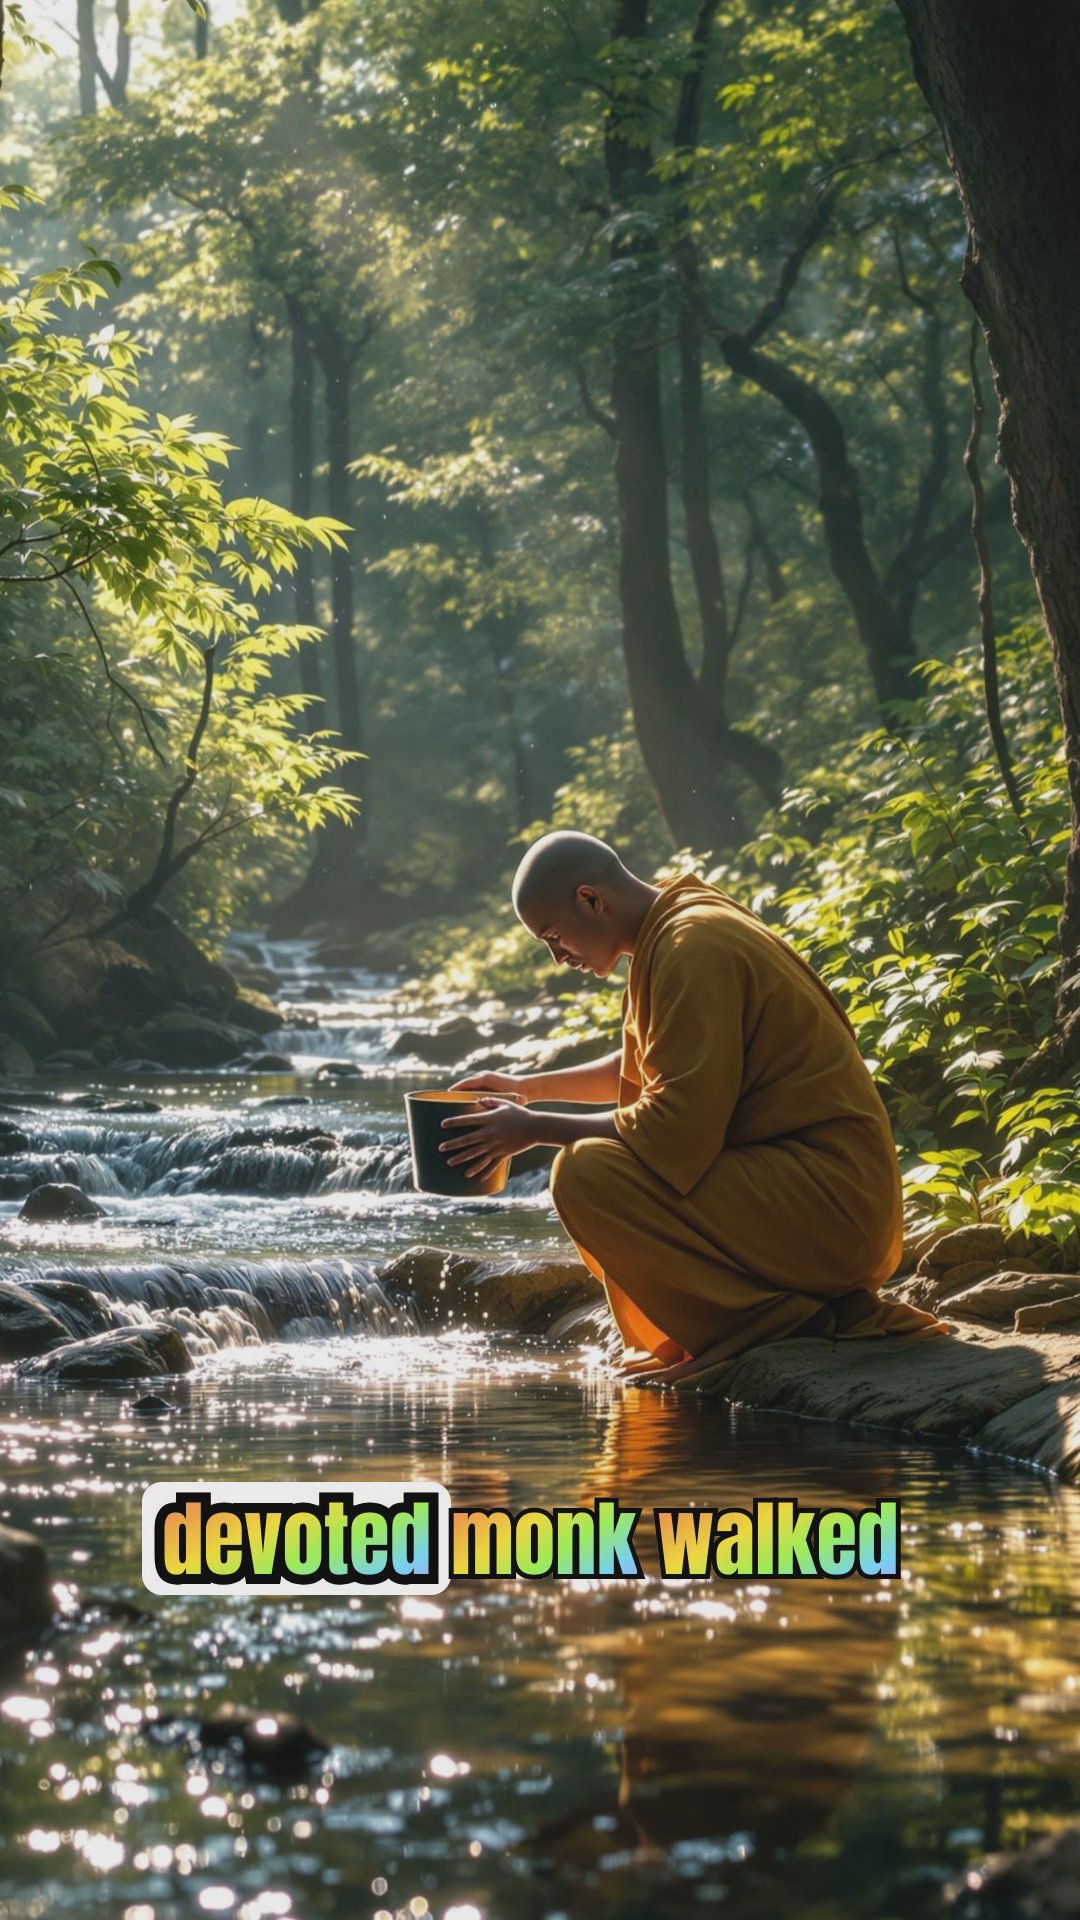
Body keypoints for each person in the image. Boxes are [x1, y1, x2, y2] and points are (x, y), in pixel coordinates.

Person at [441, 830, 950, 1384]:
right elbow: (650, 1062)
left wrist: (533, 1128)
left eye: (553, 936)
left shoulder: (693, 945)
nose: (557, 957)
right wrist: (528, 1088)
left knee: (586, 1173)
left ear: (591, 899)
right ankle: (760, 1314)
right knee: (593, 1164)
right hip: (811, 1192)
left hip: (833, 1207)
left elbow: (675, 1130)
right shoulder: (670, 925)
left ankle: (759, 1325)